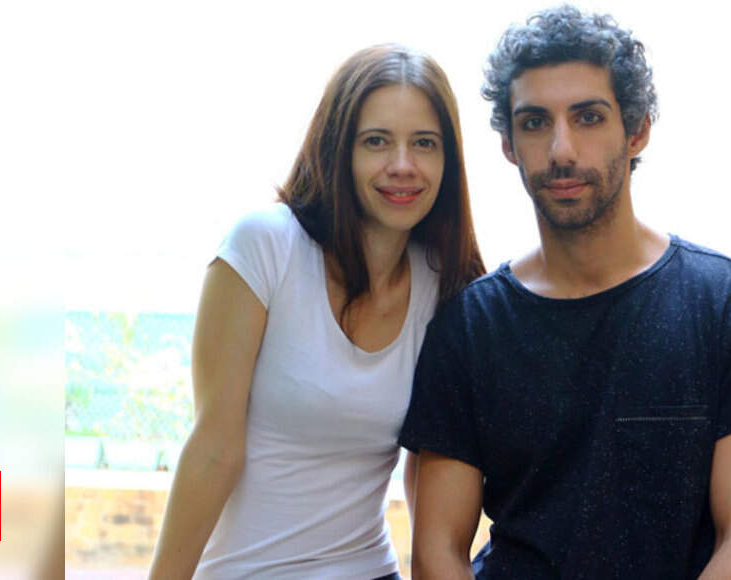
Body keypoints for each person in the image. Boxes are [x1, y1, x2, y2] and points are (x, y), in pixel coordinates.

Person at [398, 6, 731, 579]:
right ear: (509, 144)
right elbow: (436, 550)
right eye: (535, 122)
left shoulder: (729, 304)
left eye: (588, 117)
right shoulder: (469, 326)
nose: (561, 150)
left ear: (636, 131)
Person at [148, 44, 485, 579]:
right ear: (339, 149)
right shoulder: (264, 246)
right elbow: (213, 450)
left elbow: (427, 479)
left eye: (424, 143)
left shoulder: (446, 284)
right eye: (377, 141)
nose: (403, 165)